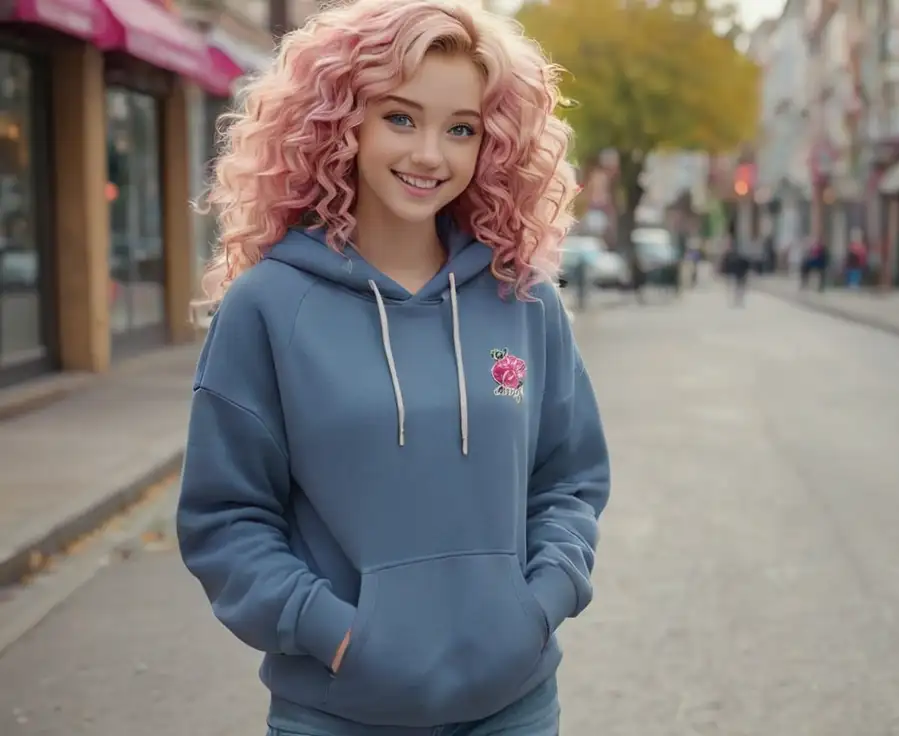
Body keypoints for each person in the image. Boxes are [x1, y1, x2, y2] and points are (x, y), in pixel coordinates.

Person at [175, 1, 611, 734]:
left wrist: (540, 602)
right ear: (341, 121)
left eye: (461, 128)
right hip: (340, 713)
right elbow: (226, 517)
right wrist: (334, 633)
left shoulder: (522, 301)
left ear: (492, 144)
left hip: (515, 706)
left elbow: (568, 477)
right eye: (400, 118)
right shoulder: (270, 306)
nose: (429, 155)